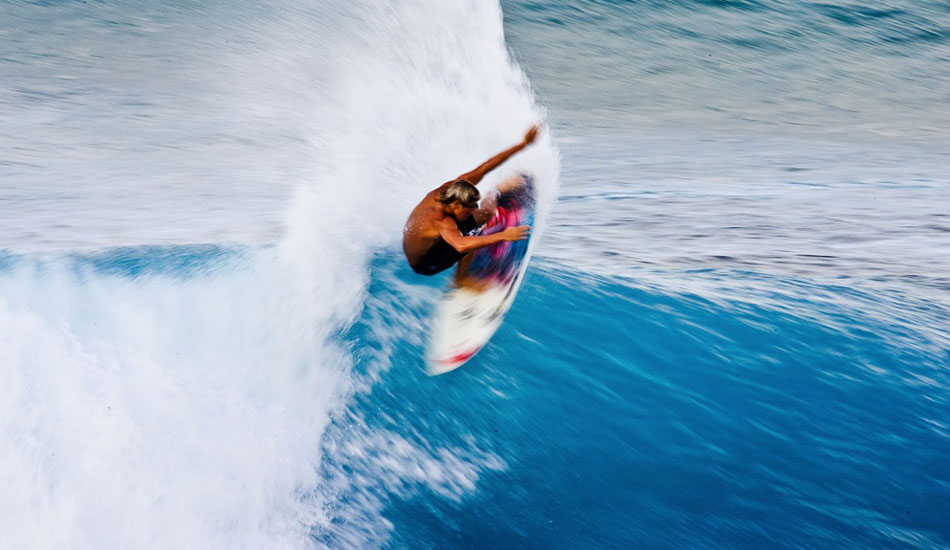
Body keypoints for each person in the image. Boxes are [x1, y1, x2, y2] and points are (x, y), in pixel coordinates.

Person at [403, 125, 539, 276]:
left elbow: (486, 167)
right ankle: (461, 280)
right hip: (426, 262)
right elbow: (461, 245)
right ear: (456, 205)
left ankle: (495, 191)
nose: (474, 209)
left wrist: (522, 144)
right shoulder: (440, 220)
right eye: (470, 208)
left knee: (485, 214)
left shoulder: (455, 187)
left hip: (434, 237)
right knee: (472, 238)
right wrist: (504, 235)